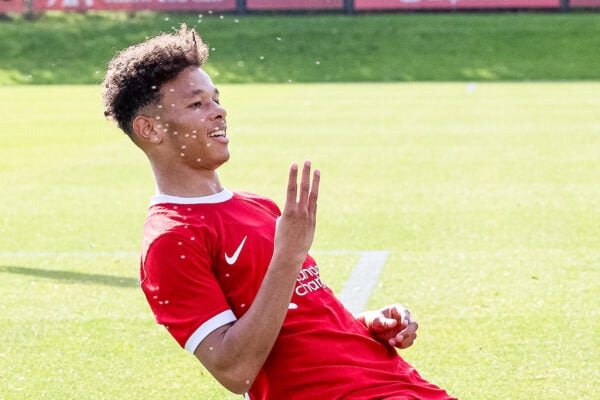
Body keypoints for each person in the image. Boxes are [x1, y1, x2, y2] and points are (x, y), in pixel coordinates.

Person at [102, 25, 457, 400]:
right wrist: (287, 256)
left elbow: (299, 322)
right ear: (150, 129)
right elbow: (234, 370)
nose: (219, 112)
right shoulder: (171, 239)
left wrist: (366, 325)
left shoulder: (257, 205)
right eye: (197, 104)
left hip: (399, 383)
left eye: (216, 99)